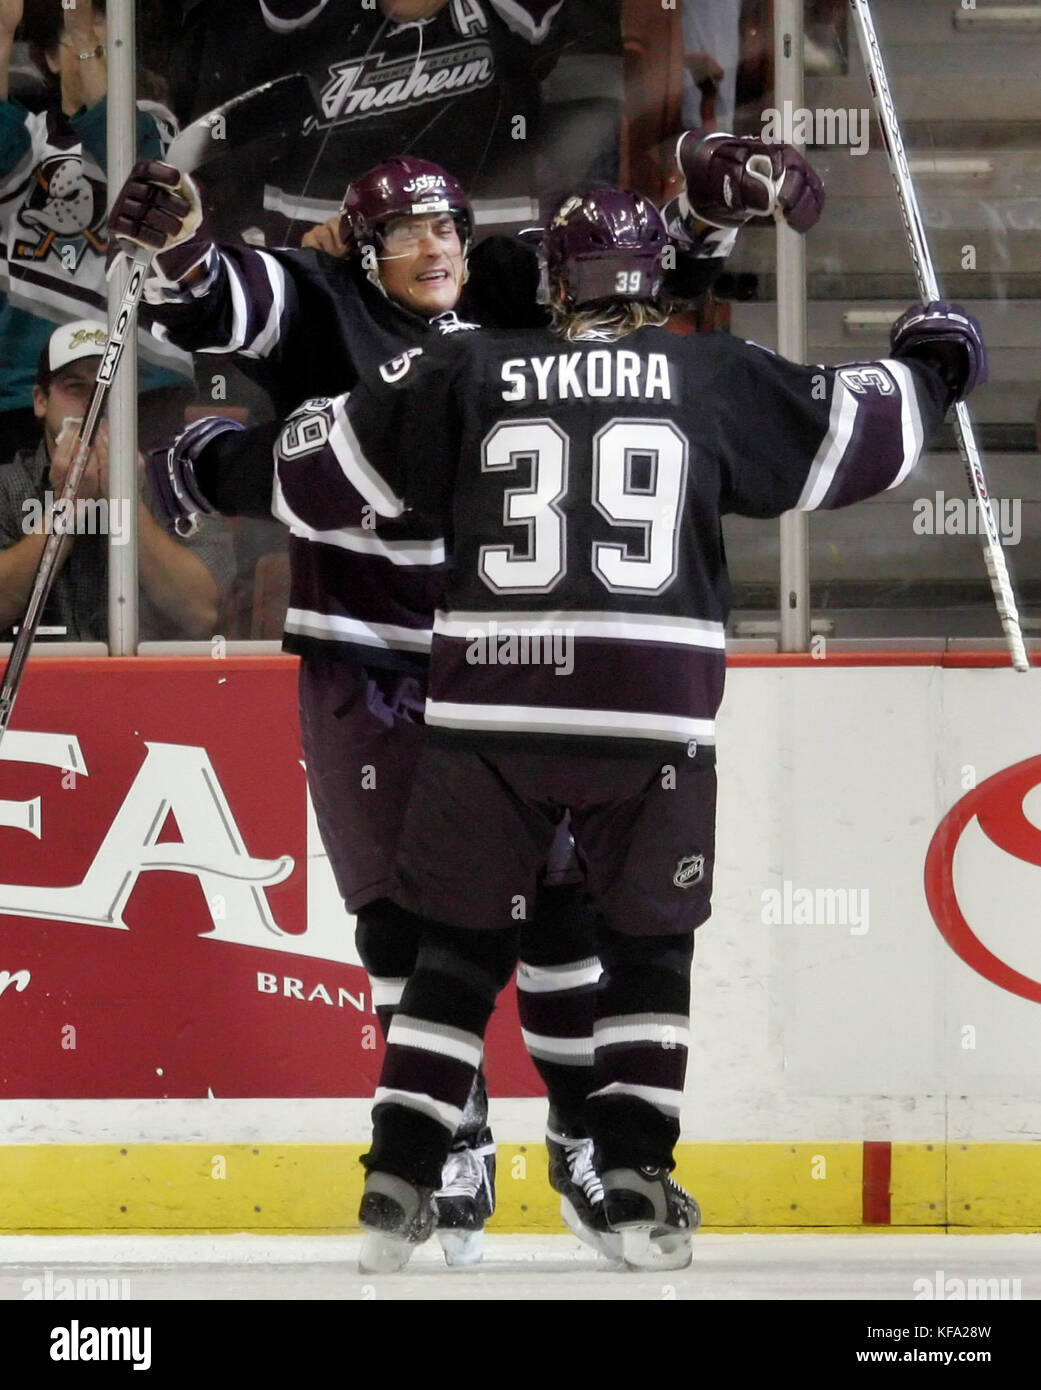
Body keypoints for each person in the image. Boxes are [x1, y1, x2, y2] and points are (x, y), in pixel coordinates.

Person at [241, 190, 984, 1272]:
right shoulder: (708, 375)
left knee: (451, 954)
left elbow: (327, 468)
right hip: (648, 712)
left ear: (554, 283)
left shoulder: (473, 367)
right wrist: (935, 365)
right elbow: (861, 431)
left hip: (489, 713)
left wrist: (208, 460)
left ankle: (399, 1177)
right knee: (643, 949)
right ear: (656, 284)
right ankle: (632, 1168)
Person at [112, 138, 824, 1262]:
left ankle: (587, 1137)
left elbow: (611, 277)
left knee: (564, 925)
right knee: (403, 926)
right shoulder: (318, 303)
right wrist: (182, 246)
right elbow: (224, 300)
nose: (435, 247)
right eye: (405, 231)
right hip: (372, 661)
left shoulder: (499, 293)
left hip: (501, 669)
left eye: (448, 225)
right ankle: (450, 1138)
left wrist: (704, 206)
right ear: (359, 246)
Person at [0, 0, 193, 458]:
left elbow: (136, 166)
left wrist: (80, 34)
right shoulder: (29, 137)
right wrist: (4, 30)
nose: (95, 59)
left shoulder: (159, 128)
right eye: (83, 46)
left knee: (121, 525)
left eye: (111, 51)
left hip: (141, 379)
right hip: (24, 385)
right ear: (48, 58)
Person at [0, 320, 233, 642]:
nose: (95, 406)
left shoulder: (178, 484)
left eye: (109, 389)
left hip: (150, 681)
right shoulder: (6, 486)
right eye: (75, 387)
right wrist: (69, 507)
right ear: (41, 400)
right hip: (35, 681)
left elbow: (200, 613)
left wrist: (127, 500)